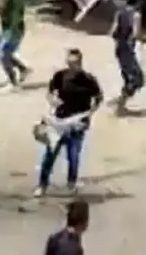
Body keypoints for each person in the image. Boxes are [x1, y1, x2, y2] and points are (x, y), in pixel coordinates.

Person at [35, 49, 103, 197]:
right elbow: (50, 92)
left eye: (75, 63)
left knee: (73, 156)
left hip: (77, 123)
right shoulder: (60, 76)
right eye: (69, 63)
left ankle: (71, 184)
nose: (72, 66)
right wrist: (52, 100)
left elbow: (98, 98)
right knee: (50, 155)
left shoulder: (89, 80)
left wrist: (88, 115)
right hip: (59, 120)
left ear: (80, 63)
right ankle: (42, 184)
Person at [109, 0, 146, 115]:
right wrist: (145, 40)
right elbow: (136, 34)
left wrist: (121, 39)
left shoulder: (119, 13)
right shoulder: (136, 15)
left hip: (119, 49)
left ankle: (120, 103)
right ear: (138, 3)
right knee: (137, 80)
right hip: (129, 50)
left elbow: (112, 32)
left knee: (128, 78)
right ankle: (119, 107)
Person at [0, 0, 31, 91]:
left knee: (3, 55)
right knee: (2, 52)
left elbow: (2, 8)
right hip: (17, 26)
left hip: (11, 28)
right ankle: (22, 69)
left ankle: (13, 82)